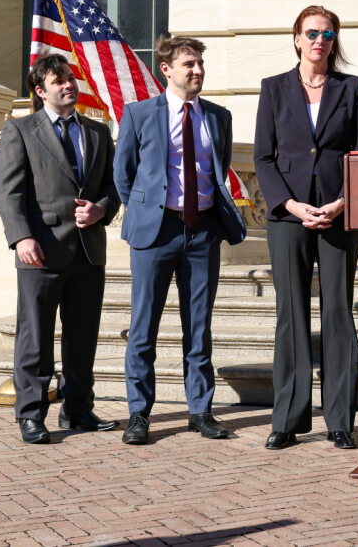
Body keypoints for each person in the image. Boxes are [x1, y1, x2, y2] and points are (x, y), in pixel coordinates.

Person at [114, 36, 246, 444]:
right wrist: (146, 209)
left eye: (200, 63)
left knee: (199, 326)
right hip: (156, 233)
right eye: (189, 64)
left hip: (203, 231)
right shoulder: (139, 114)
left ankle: (200, 410)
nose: (197, 70)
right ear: (166, 70)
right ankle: (139, 413)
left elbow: (218, 169)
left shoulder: (218, 117)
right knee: (143, 326)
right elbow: (123, 173)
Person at [254, 6, 358, 451]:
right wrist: (291, 204)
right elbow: (263, 157)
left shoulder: (350, 88)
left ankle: (340, 420)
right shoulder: (274, 88)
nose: (319, 40)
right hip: (289, 216)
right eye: (312, 33)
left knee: (338, 312)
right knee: (291, 314)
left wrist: (342, 202)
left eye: (327, 34)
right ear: (297, 39)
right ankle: (287, 418)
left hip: (340, 213)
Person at [0, 53, 121, 443]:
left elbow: (114, 185)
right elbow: (9, 191)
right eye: (58, 81)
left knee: (82, 336)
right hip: (40, 251)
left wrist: (102, 208)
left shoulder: (97, 132)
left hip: (88, 250)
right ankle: (31, 414)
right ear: (40, 90)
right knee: (35, 337)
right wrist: (21, 237)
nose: (68, 85)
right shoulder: (20, 130)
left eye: (70, 78)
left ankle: (78, 408)